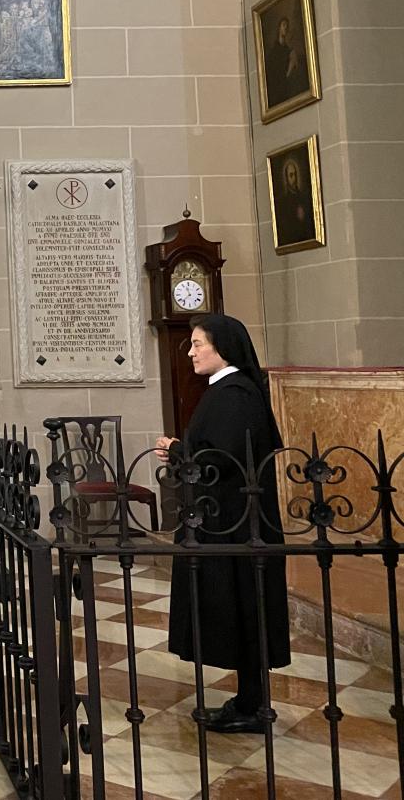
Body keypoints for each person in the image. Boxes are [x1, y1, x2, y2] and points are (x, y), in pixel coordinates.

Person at [154, 314, 290, 735]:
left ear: (223, 348)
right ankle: (250, 698)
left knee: (247, 608)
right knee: (241, 610)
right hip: (226, 521)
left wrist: (178, 451)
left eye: (198, 344)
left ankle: (254, 706)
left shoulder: (234, 396)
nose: (191, 352)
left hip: (235, 525)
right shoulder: (227, 391)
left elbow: (221, 463)